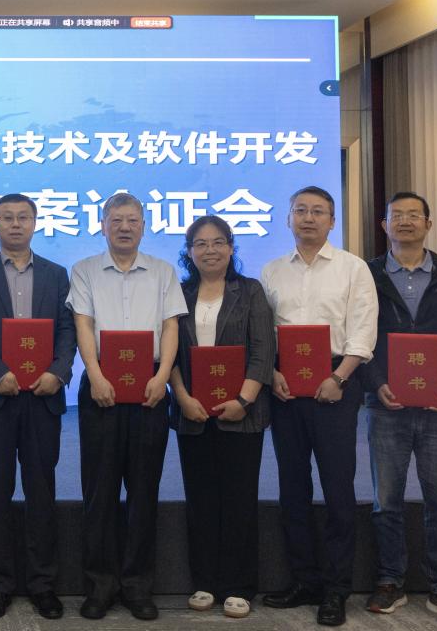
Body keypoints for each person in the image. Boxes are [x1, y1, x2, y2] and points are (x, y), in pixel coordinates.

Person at [362, 192, 437, 625]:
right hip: (385, 406)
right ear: (384, 225)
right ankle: (389, 581)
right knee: (386, 500)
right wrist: (376, 383)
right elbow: (357, 335)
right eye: (397, 215)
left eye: (414, 215)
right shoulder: (367, 275)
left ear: (428, 224)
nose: (406, 221)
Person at [66, 192, 186, 621]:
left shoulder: (163, 271)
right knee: (99, 491)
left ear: (143, 226)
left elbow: (170, 328)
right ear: (102, 225)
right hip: (101, 384)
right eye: (116, 220)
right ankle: (99, 586)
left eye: (132, 220)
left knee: (143, 491)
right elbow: (84, 325)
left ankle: (137, 587)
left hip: (151, 386)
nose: (124, 227)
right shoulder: (84, 270)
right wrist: (95, 375)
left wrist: (162, 376)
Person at [261, 186, 377, 627]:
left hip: (336, 383)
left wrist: (340, 377)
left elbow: (363, 330)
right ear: (288, 218)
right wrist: (272, 374)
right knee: (292, 487)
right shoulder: (272, 271)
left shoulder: (352, 268)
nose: (308, 218)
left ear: (332, 221)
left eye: (318, 212)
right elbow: (264, 333)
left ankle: (336, 588)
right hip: (285, 387)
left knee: (337, 488)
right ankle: (304, 580)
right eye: (300, 210)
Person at [0, 194, 76, 620]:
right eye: (6, 217)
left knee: (41, 491)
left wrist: (58, 372)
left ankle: (43, 585)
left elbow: (68, 330)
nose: (15, 224)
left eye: (23, 217)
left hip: (43, 396)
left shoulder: (56, 274)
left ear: (35, 223)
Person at [167, 215, 275, 620]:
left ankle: (238, 585)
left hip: (241, 413)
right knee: (201, 500)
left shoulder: (250, 291)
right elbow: (170, 353)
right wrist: (181, 397)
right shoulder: (178, 294)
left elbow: (263, 351)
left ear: (231, 248)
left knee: (239, 499)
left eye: (217, 242)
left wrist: (243, 400)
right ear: (189, 252)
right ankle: (205, 582)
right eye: (200, 244)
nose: (209, 250)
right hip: (192, 412)